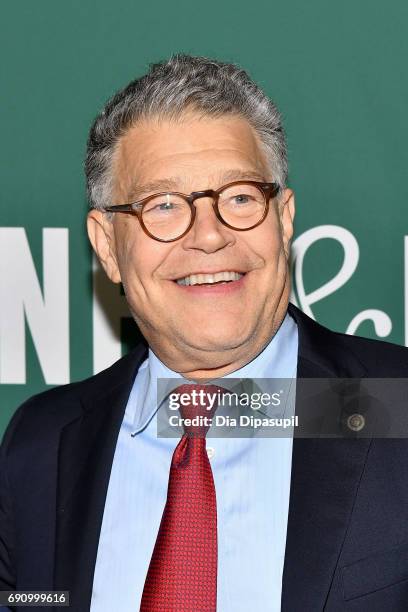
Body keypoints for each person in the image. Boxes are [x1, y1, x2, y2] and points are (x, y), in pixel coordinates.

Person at [1, 54, 408, 612]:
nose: (210, 236)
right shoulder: (41, 445)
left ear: (283, 219)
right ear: (106, 246)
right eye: (163, 206)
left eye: (240, 197)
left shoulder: (398, 405)